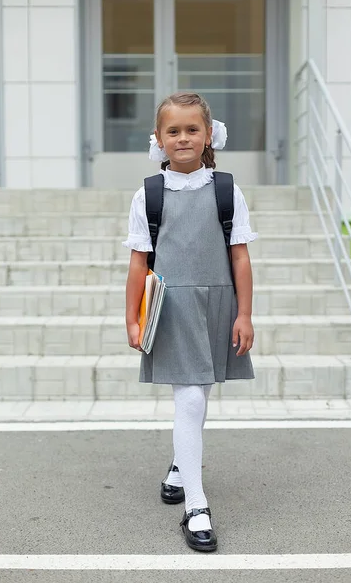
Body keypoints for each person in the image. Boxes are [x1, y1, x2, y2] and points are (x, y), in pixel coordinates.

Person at [123, 92, 257, 552]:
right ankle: (195, 505)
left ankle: (181, 468)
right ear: (159, 139)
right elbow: (138, 263)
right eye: (173, 131)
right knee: (192, 397)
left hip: (217, 304)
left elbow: (239, 256)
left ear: (208, 135)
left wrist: (244, 313)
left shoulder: (226, 190)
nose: (183, 138)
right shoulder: (149, 194)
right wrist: (132, 320)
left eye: (192, 129)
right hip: (174, 307)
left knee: (201, 393)